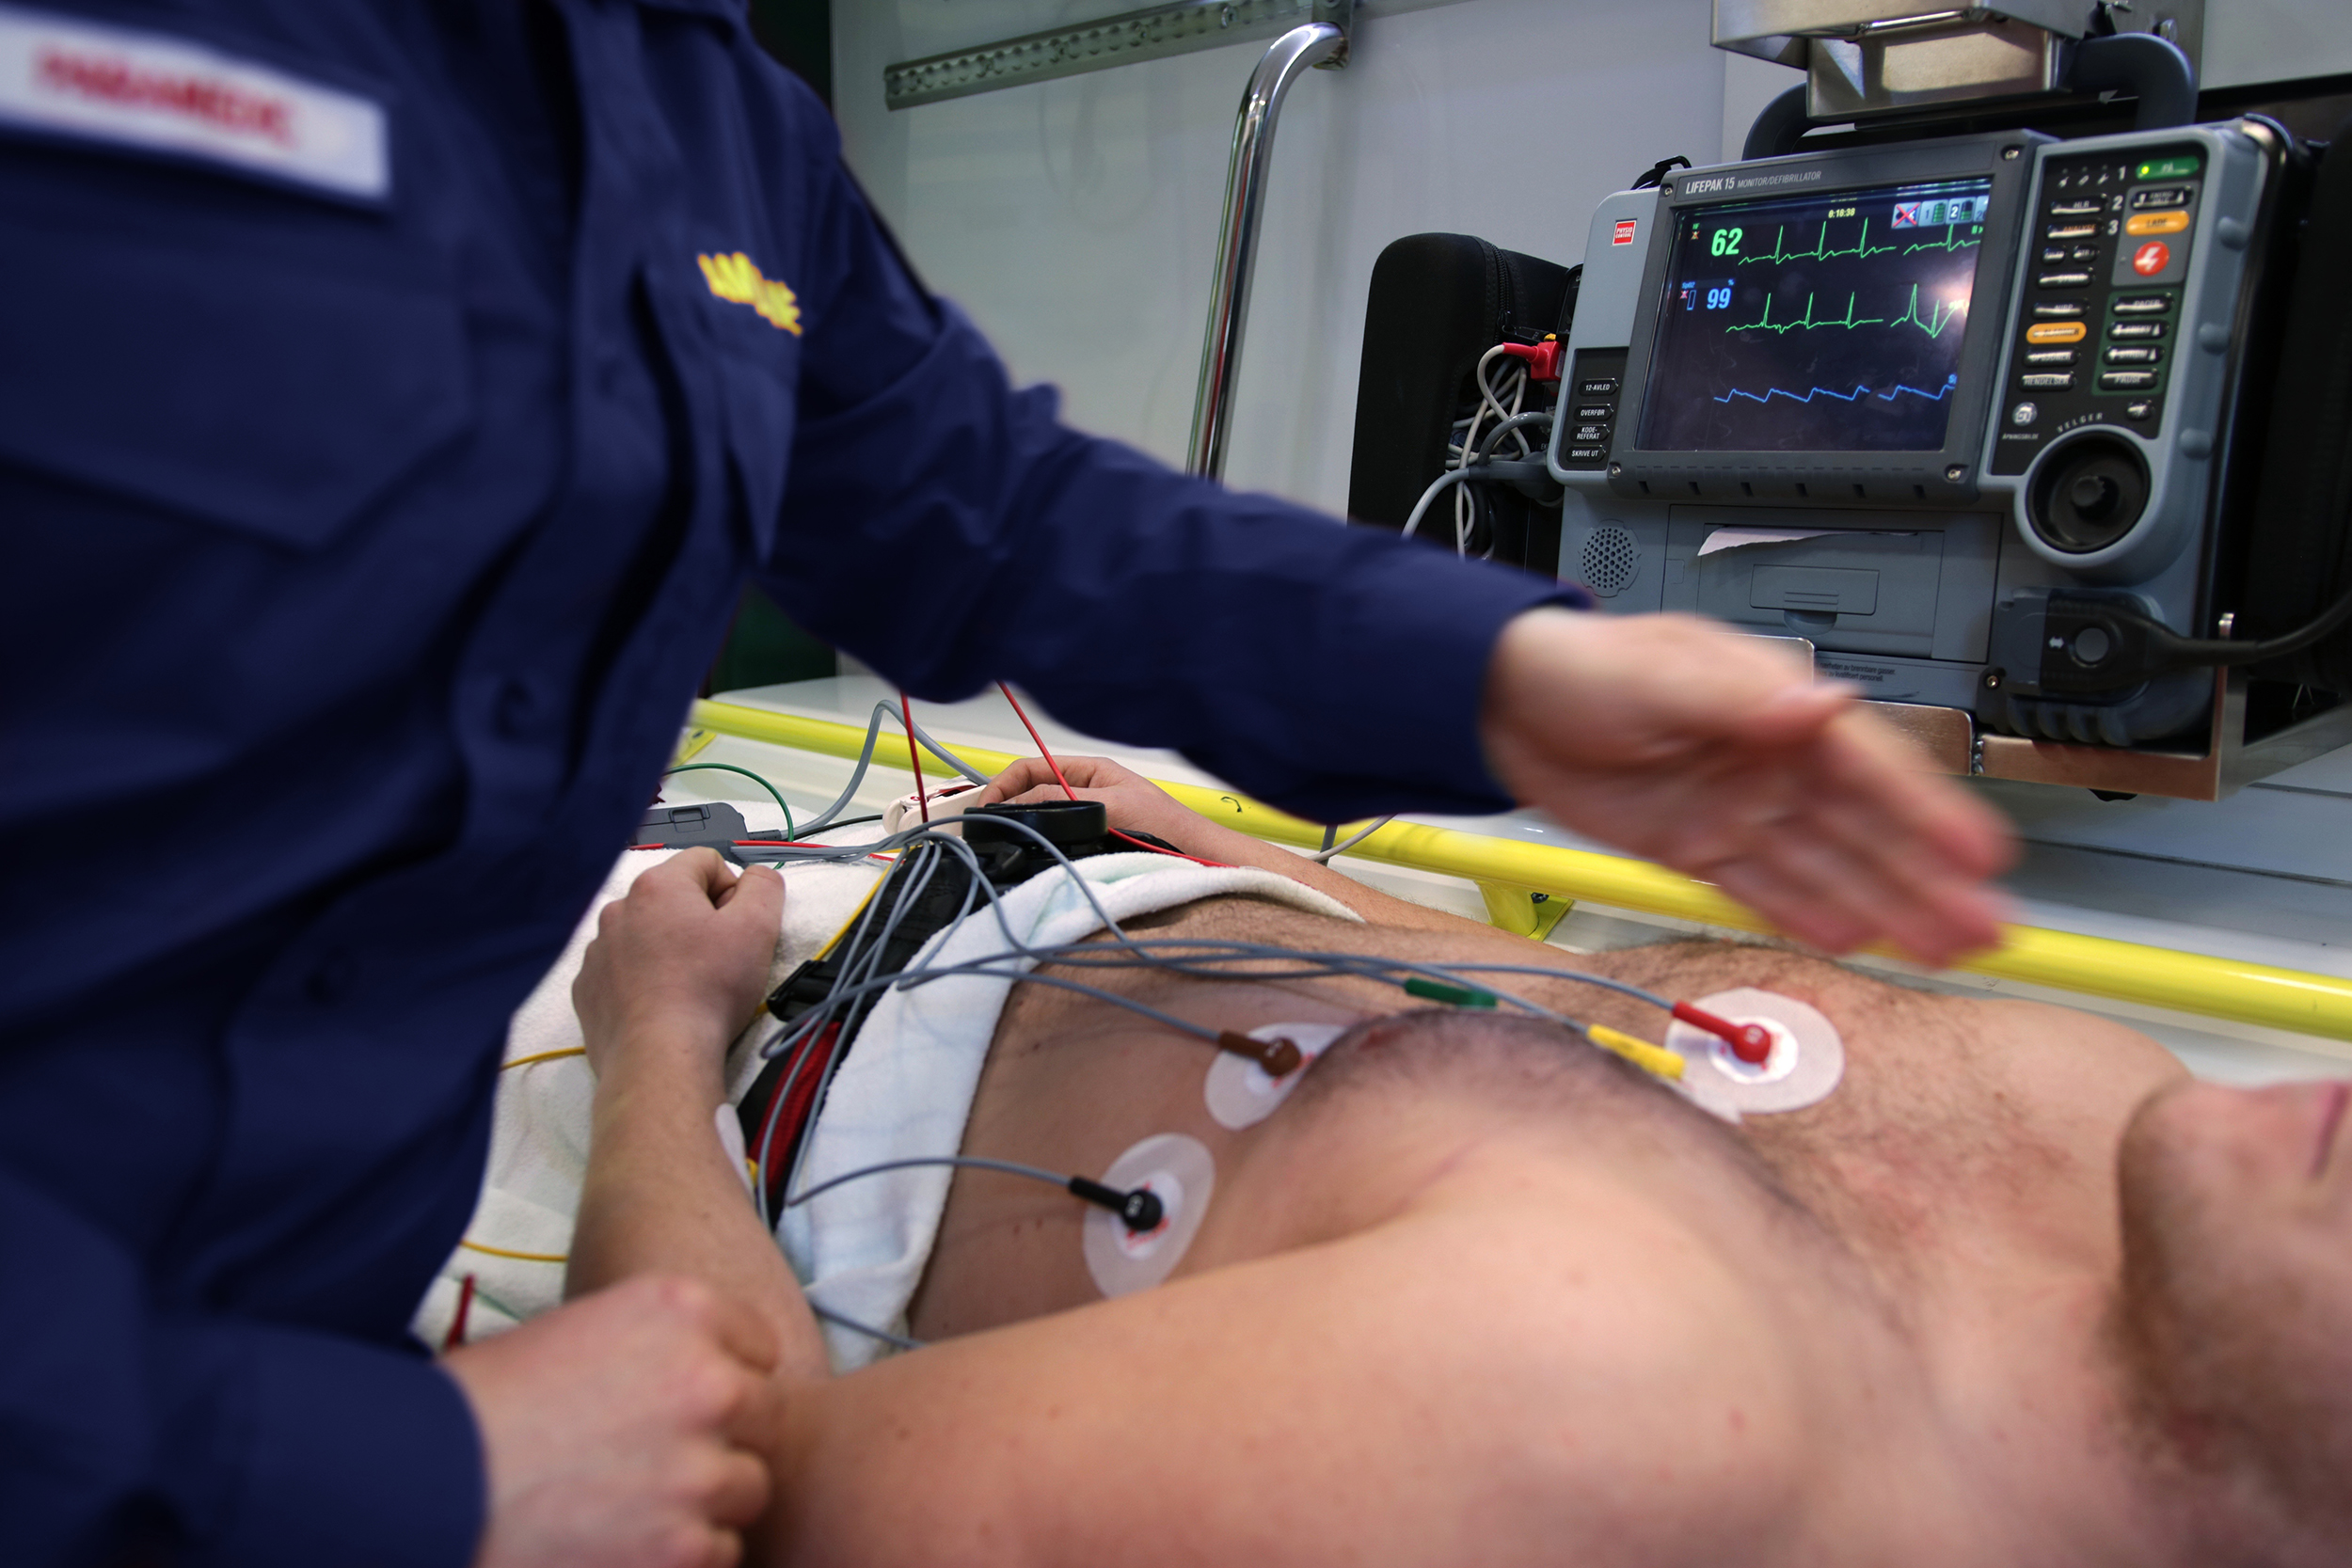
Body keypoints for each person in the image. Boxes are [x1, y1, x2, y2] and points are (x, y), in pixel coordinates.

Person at [0, 5, 2010, 1565]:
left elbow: (987, 512)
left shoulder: (688, 106)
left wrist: (1497, 673)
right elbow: (777, 1469)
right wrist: (363, 1473)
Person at [557, 759, 2352, 1568]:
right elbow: (1627, 1019)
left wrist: (655, 1031)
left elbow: (736, 1484)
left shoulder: (1586, 1438)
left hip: (752, 1089)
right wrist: (1260, 871)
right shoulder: (2126, 1129)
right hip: (1107, 872)